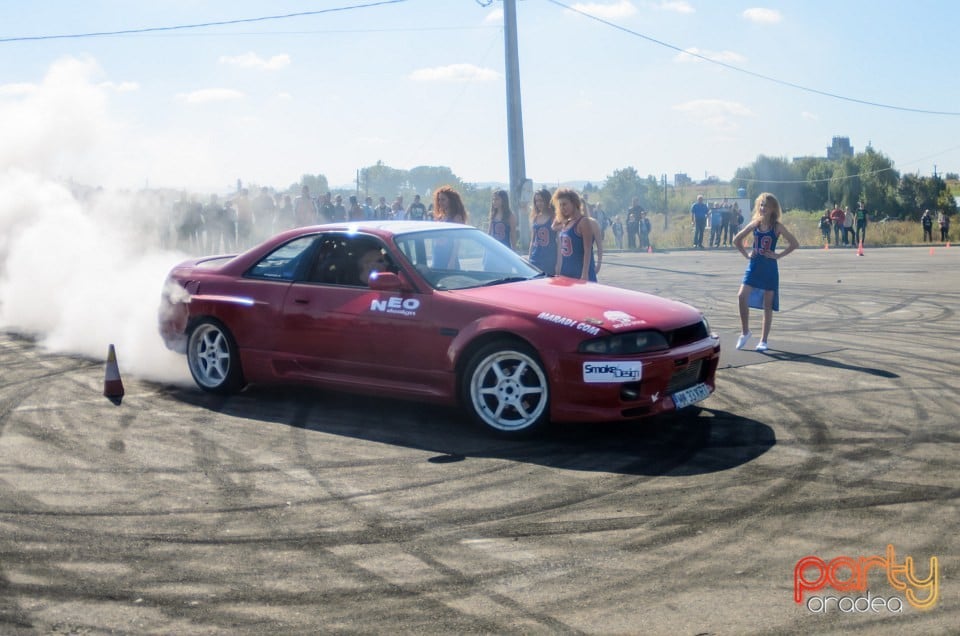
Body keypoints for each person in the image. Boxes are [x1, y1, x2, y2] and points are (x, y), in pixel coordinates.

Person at [733, 192, 799, 352]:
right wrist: (747, 254)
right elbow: (737, 240)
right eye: (761, 205)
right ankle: (745, 332)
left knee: (767, 305)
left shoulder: (777, 227)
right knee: (741, 296)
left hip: (769, 268)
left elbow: (794, 243)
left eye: (766, 205)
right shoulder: (755, 224)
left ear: (772, 209)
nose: (762, 208)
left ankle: (763, 340)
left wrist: (778, 255)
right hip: (754, 266)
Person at [553, 187, 597, 282]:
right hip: (566, 273)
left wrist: (584, 274)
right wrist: (559, 270)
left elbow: (587, 250)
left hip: (580, 274)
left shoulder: (583, 222)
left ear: (574, 203)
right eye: (560, 205)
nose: (562, 208)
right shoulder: (566, 222)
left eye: (565, 204)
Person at [432, 185, 468, 269]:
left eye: (443, 199)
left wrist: (452, 261)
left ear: (450, 201)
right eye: (439, 200)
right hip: (437, 255)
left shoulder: (456, 218)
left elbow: (457, 242)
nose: (440, 202)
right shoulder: (440, 217)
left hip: (449, 257)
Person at [528, 187, 558, 274]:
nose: (538, 203)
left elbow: (559, 242)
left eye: (541, 200)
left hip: (549, 260)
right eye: (536, 201)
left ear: (547, 200)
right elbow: (532, 241)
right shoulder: (535, 217)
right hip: (535, 259)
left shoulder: (554, 217)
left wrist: (558, 263)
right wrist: (530, 258)